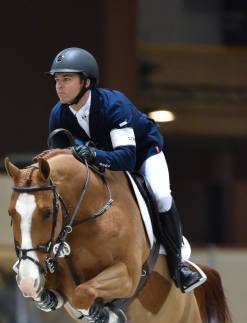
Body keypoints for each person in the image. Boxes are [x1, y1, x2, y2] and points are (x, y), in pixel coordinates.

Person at [47, 47, 205, 293]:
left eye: (66, 79)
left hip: (141, 152)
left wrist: (93, 155)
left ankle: (178, 265)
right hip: (99, 161)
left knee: (161, 194)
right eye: (57, 80)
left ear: (86, 82)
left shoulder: (113, 105)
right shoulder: (58, 114)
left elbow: (127, 159)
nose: (59, 86)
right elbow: (60, 164)